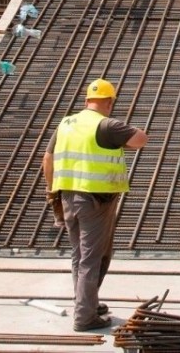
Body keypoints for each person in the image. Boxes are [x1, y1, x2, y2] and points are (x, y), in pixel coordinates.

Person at [42, 78, 148, 332]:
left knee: (79, 255)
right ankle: (85, 316)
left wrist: (51, 191)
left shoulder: (66, 123)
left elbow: (47, 158)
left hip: (67, 196)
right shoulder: (107, 125)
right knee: (94, 257)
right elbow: (141, 139)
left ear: (86, 100)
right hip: (96, 201)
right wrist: (117, 140)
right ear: (110, 102)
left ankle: (85, 302)